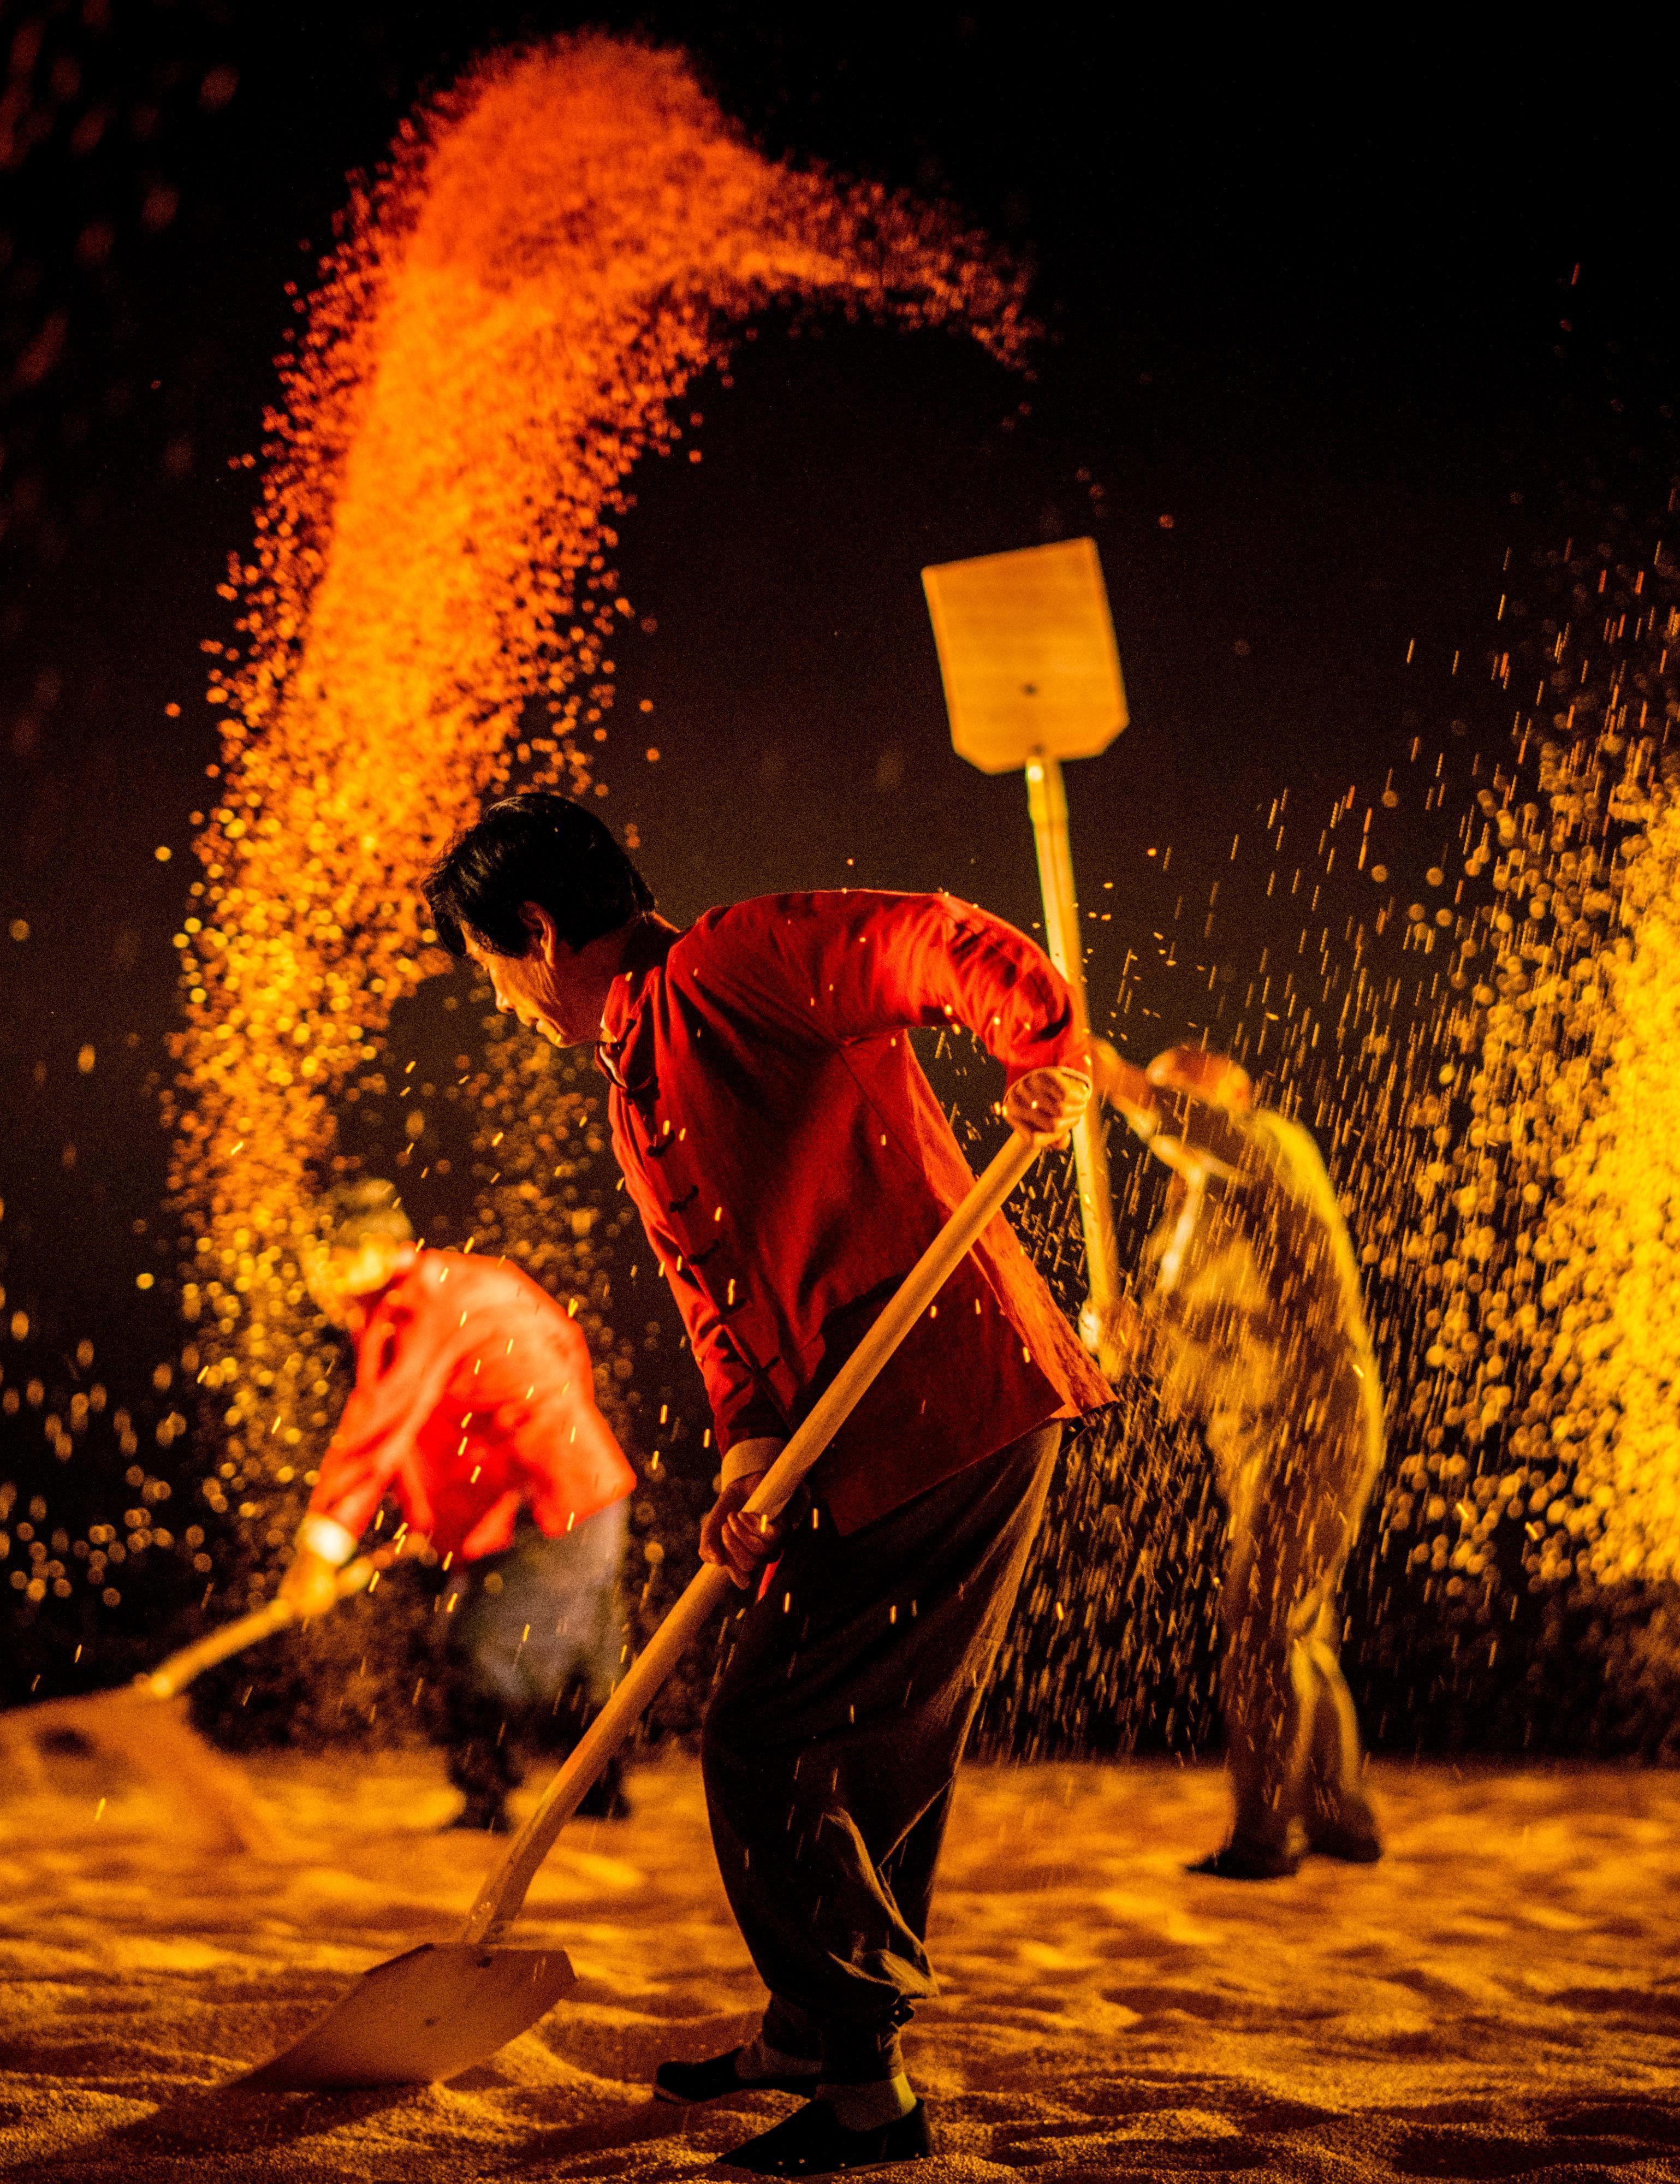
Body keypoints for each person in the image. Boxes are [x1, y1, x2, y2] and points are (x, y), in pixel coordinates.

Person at [426, 791, 1106, 2178]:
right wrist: (747, 1451)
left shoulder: (730, 963)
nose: (502, 1001)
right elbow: (719, 1306)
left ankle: (864, 2089)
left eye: (492, 967)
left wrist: (1039, 1046)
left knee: (771, 1739)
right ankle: (814, 2028)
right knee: (870, 1737)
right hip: (849, 1438)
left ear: (540, 931)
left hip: (949, 1393)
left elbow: (939, 939)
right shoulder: (639, 1081)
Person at [1090, 1039, 1387, 1881]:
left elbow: (1226, 1143)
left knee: (1261, 1624)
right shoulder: (1188, 1220)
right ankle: (1340, 1816)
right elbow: (1186, 1345)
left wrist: (1118, 1083)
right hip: (1250, 1436)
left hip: (1316, 1418)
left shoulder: (1274, 1149)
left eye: (1182, 1100)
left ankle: (1264, 1836)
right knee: (1296, 1629)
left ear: (1238, 1099)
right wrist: (1129, 1338)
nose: (1167, 1117)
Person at [272, 1178, 638, 1831]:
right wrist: (446, 1525)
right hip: (591, 1490)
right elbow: (542, 1372)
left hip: (552, 1506)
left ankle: (485, 1805)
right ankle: (600, 1797)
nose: (318, 1282)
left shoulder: (413, 1306)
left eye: (325, 1260)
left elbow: (377, 1430)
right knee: (584, 1655)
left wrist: (316, 1553)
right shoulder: (474, 1279)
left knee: (479, 1650)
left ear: (376, 1252)